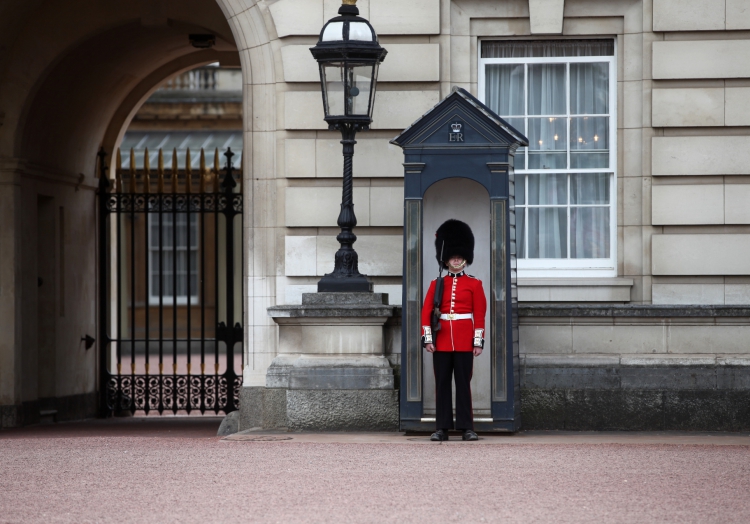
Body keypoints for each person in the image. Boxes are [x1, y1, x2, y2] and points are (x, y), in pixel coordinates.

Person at [421, 219, 487, 442]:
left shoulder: (474, 284)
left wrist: (477, 341)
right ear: (446, 258)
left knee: (462, 383)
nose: (456, 259)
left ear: (465, 258)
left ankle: (467, 427)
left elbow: (479, 316)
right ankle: (442, 428)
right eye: (452, 256)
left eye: (459, 256)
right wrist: (428, 339)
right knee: (442, 384)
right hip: (441, 340)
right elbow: (426, 312)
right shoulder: (436, 284)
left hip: (464, 340)